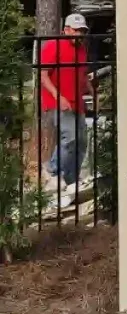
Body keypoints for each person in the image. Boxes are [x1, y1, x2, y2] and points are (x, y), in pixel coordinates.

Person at [40, 13, 90, 210]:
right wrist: (58, 96)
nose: (79, 34)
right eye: (76, 30)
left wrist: (90, 89)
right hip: (58, 102)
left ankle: (71, 181)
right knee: (69, 137)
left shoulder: (82, 50)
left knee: (81, 142)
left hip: (76, 102)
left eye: (82, 31)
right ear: (66, 30)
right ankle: (52, 171)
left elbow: (82, 74)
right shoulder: (53, 45)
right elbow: (43, 75)